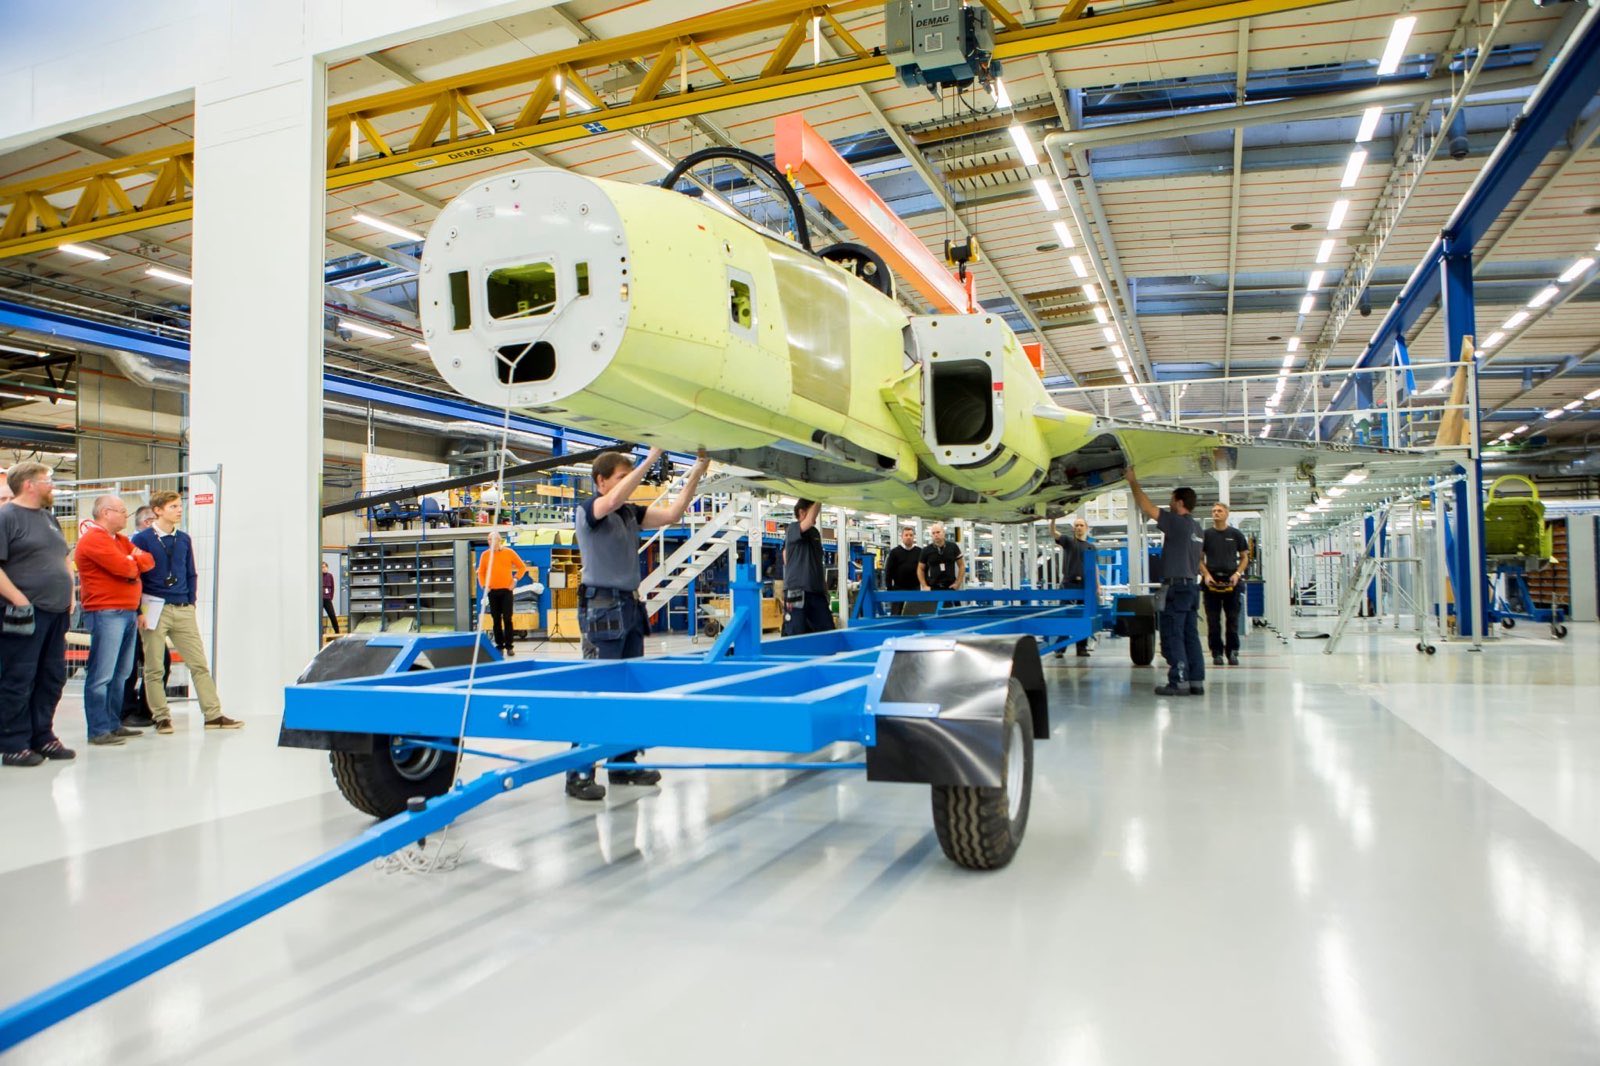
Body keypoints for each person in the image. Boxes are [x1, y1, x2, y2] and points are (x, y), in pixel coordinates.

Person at [567, 447, 709, 800]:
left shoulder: (630, 513)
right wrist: (651, 457)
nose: (629, 485)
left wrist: (698, 470)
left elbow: (674, 514)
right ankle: (578, 772)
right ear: (600, 481)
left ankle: (623, 765)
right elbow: (613, 500)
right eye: (620, 477)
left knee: (629, 689)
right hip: (601, 609)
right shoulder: (590, 511)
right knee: (600, 691)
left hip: (629, 607)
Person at [132, 490, 241, 732]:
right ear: (158, 510)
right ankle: (161, 717)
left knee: (198, 663)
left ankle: (213, 714)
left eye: (179, 505)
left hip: (182, 608)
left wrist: (190, 601)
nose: (179, 510)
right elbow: (135, 576)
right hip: (154, 607)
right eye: (173, 506)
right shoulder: (141, 540)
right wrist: (138, 608)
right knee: (154, 666)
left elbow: (190, 572)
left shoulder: (183, 539)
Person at [0, 462, 77, 767]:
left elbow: (64, 558)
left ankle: (42, 735)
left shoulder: (49, 519)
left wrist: (69, 594)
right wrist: (19, 599)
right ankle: (12, 742)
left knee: (52, 676)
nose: (52, 486)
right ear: (29, 484)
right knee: (19, 677)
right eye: (47, 481)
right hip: (24, 614)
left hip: (56, 611)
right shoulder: (6, 517)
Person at [74, 495, 155, 746]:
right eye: (122, 511)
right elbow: (126, 568)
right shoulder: (93, 540)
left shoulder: (119, 540)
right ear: (106, 512)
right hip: (106, 611)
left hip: (128, 611)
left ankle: (112, 723)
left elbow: (148, 561)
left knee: (121, 673)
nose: (126, 516)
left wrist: (133, 561)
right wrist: (132, 561)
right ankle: (98, 729)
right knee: (102, 674)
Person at [1125, 467, 1205, 697]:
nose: (1169, 504)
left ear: (1179, 503)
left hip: (1177, 588)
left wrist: (1133, 481)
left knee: (1174, 633)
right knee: (1190, 634)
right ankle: (1196, 681)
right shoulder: (1197, 528)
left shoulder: (1177, 523)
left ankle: (1178, 681)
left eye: (1171, 500)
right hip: (1191, 586)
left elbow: (1147, 507)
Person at [121, 505, 163, 728]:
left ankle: (144, 710)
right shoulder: (135, 543)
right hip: (135, 610)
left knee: (155, 659)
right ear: (148, 522)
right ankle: (129, 710)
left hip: (149, 609)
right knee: (130, 662)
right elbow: (135, 572)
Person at [1201, 503, 1251, 667]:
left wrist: (1237, 574)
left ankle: (1232, 652)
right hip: (1212, 582)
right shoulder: (1206, 535)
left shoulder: (1235, 534)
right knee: (1213, 621)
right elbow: (1199, 559)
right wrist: (1206, 575)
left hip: (1232, 582)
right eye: (1214, 511)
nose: (1216, 513)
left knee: (1233, 620)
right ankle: (1216, 653)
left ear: (1227, 514)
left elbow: (1244, 557)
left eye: (1219, 511)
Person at [782, 499, 835, 636]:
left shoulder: (815, 533)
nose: (816, 515)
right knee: (795, 633)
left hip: (816, 592)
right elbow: (810, 520)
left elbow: (818, 564)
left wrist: (825, 590)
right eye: (814, 510)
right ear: (801, 512)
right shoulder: (793, 529)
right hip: (797, 592)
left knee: (827, 633)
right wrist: (819, 496)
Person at [476, 532, 528, 656]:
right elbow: (481, 572)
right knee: (496, 619)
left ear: (499, 541)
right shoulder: (485, 555)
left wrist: (515, 580)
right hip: (492, 591)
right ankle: (499, 645)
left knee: (507, 618)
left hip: (506, 590)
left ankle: (509, 646)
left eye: (493, 539)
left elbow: (522, 567)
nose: (490, 542)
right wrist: (484, 585)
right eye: (489, 539)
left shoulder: (509, 552)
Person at [1050, 515, 1093, 658]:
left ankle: (1082, 648)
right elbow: (1054, 532)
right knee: (1065, 616)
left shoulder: (1090, 547)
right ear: (1074, 529)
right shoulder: (1068, 541)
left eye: (1081, 525)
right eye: (1076, 525)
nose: (1079, 527)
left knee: (1083, 617)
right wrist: (1053, 519)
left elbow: (1095, 567)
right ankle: (1060, 648)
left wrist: (1097, 585)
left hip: (1086, 587)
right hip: (1069, 584)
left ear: (1086, 528)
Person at [883, 526, 921, 615]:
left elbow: (923, 570)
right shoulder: (894, 552)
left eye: (911, 535)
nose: (908, 537)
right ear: (902, 537)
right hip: (898, 589)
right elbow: (888, 571)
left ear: (914, 537)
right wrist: (889, 588)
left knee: (914, 615)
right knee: (896, 615)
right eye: (906, 535)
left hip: (914, 589)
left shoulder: (919, 552)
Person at [918, 522, 964, 593]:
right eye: (933, 533)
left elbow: (961, 566)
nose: (936, 535)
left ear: (943, 533)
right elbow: (920, 569)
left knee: (954, 604)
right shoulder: (926, 550)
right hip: (933, 587)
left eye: (938, 532)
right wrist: (924, 586)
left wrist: (958, 583)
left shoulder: (953, 547)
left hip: (950, 587)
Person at [320, 561, 340, 635]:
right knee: (319, 617)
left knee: (332, 615)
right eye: (322, 567)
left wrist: (331, 597)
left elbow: (333, 587)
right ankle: (321, 633)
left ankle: (337, 632)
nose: (324, 568)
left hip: (327, 599)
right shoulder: (318, 576)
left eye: (325, 567)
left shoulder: (330, 576)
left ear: (327, 568)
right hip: (320, 599)